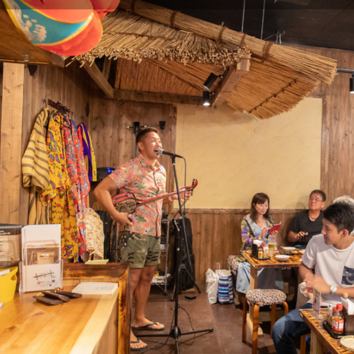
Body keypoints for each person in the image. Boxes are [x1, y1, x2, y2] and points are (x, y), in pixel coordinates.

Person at [94, 127, 168, 351]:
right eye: (153, 140)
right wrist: (116, 215)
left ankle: (140, 318)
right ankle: (125, 328)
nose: (158, 143)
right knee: (131, 280)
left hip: (154, 233)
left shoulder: (162, 170)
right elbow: (101, 190)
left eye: (159, 140)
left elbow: (156, 200)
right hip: (134, 232)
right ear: (141, 145)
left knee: (147, 277)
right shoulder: (131, 167)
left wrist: (175, 197)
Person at [272, 202, 354, 354]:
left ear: (344, 233)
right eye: (323, 225)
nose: (322, 231)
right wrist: (309, 278)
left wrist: (331, 289)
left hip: (348, 314)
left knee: (322, 345)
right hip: (317, 306)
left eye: (327, 229)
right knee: (279, 330)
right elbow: (304, 266)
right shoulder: (316, 241)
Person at [236, 193, 282, 294]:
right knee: (247, 266)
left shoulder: (269, 220)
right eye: (261, 205)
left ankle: (271, 295)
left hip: (267, 252)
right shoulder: (246, 220)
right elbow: (245, 239)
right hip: (251, 253)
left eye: (266, 205)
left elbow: (272, 240)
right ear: (254, 205)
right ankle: (253, 295)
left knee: (275, 265)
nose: (263, 208)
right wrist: (259, 237)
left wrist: (274, 236)